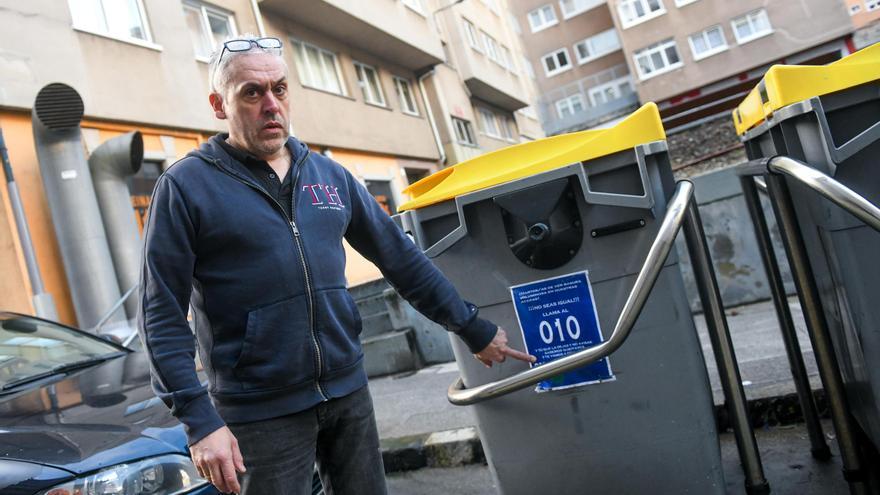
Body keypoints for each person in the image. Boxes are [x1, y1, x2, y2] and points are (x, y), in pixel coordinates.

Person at [137, 35, 535, 495]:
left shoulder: (329, 175)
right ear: (218, 104)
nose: (271, 104)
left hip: (348, 392)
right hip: (260, 412)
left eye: (280, 89)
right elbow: (161, 313)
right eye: (252, 92)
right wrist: (199, 421)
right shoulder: (185, 187)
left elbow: (401, 259)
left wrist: (472, 327)